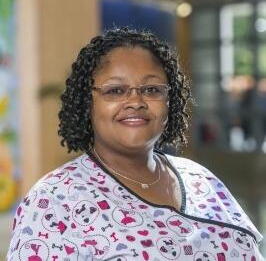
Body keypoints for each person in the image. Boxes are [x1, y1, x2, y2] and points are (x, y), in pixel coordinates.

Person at [7, 27, 264, 260]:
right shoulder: (53, 200)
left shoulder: (202, 180)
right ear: (87, 103)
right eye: (115, 91)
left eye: (152, 90)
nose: (136, 101)